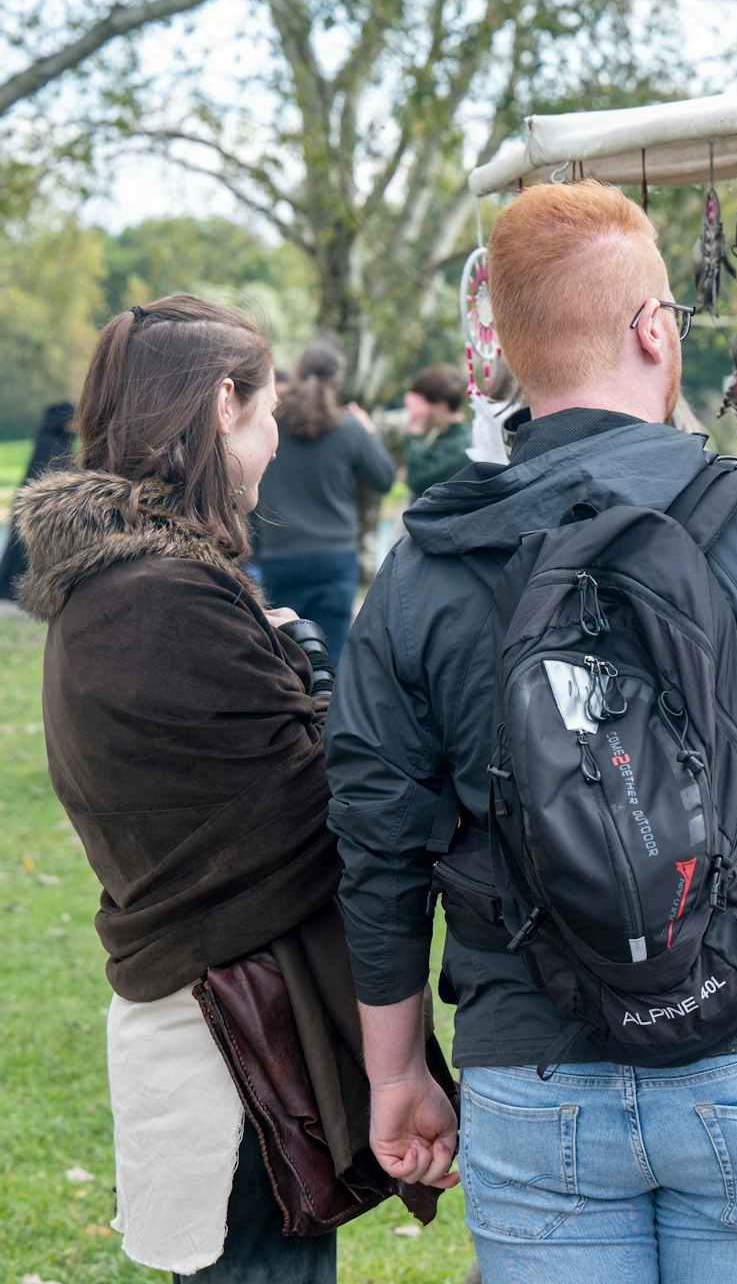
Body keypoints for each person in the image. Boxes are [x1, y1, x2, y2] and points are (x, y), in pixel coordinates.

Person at [326, 180, 737, 1281]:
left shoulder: (424, 570)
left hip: (533, 1061)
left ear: (512, 351)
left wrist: (395, 1070)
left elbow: (377, 840)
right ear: (655, 328)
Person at [11, 296, 435, 1281]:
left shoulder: (142, 584)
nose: (279, 441)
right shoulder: (156, 597)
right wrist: (346, 710)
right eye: (269, 411)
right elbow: (305, 818)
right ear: (221, 403)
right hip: (233, 1040)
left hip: (230, 1020)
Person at [252, 341, 395, 663]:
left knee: (285, 656)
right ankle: (328, 714)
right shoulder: (350, 428)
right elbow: (383, 479)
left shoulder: (273, 424)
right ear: (337, 380)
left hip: (280, 554)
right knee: (330, 655)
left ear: (299, 373)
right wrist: (369, 431)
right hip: (334, 557)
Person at [0, 400, 75, 604]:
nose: (75, 424)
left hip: (41, 505)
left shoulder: (61, 443)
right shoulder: (50, 444)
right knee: (24, 550)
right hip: (37, 506)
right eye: (71, 419)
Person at [402, 364, 472, 497]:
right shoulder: (447, 436)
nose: (413, 411)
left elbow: (417, 480)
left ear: (441, 406)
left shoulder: (460, 445)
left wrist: (415, 426)